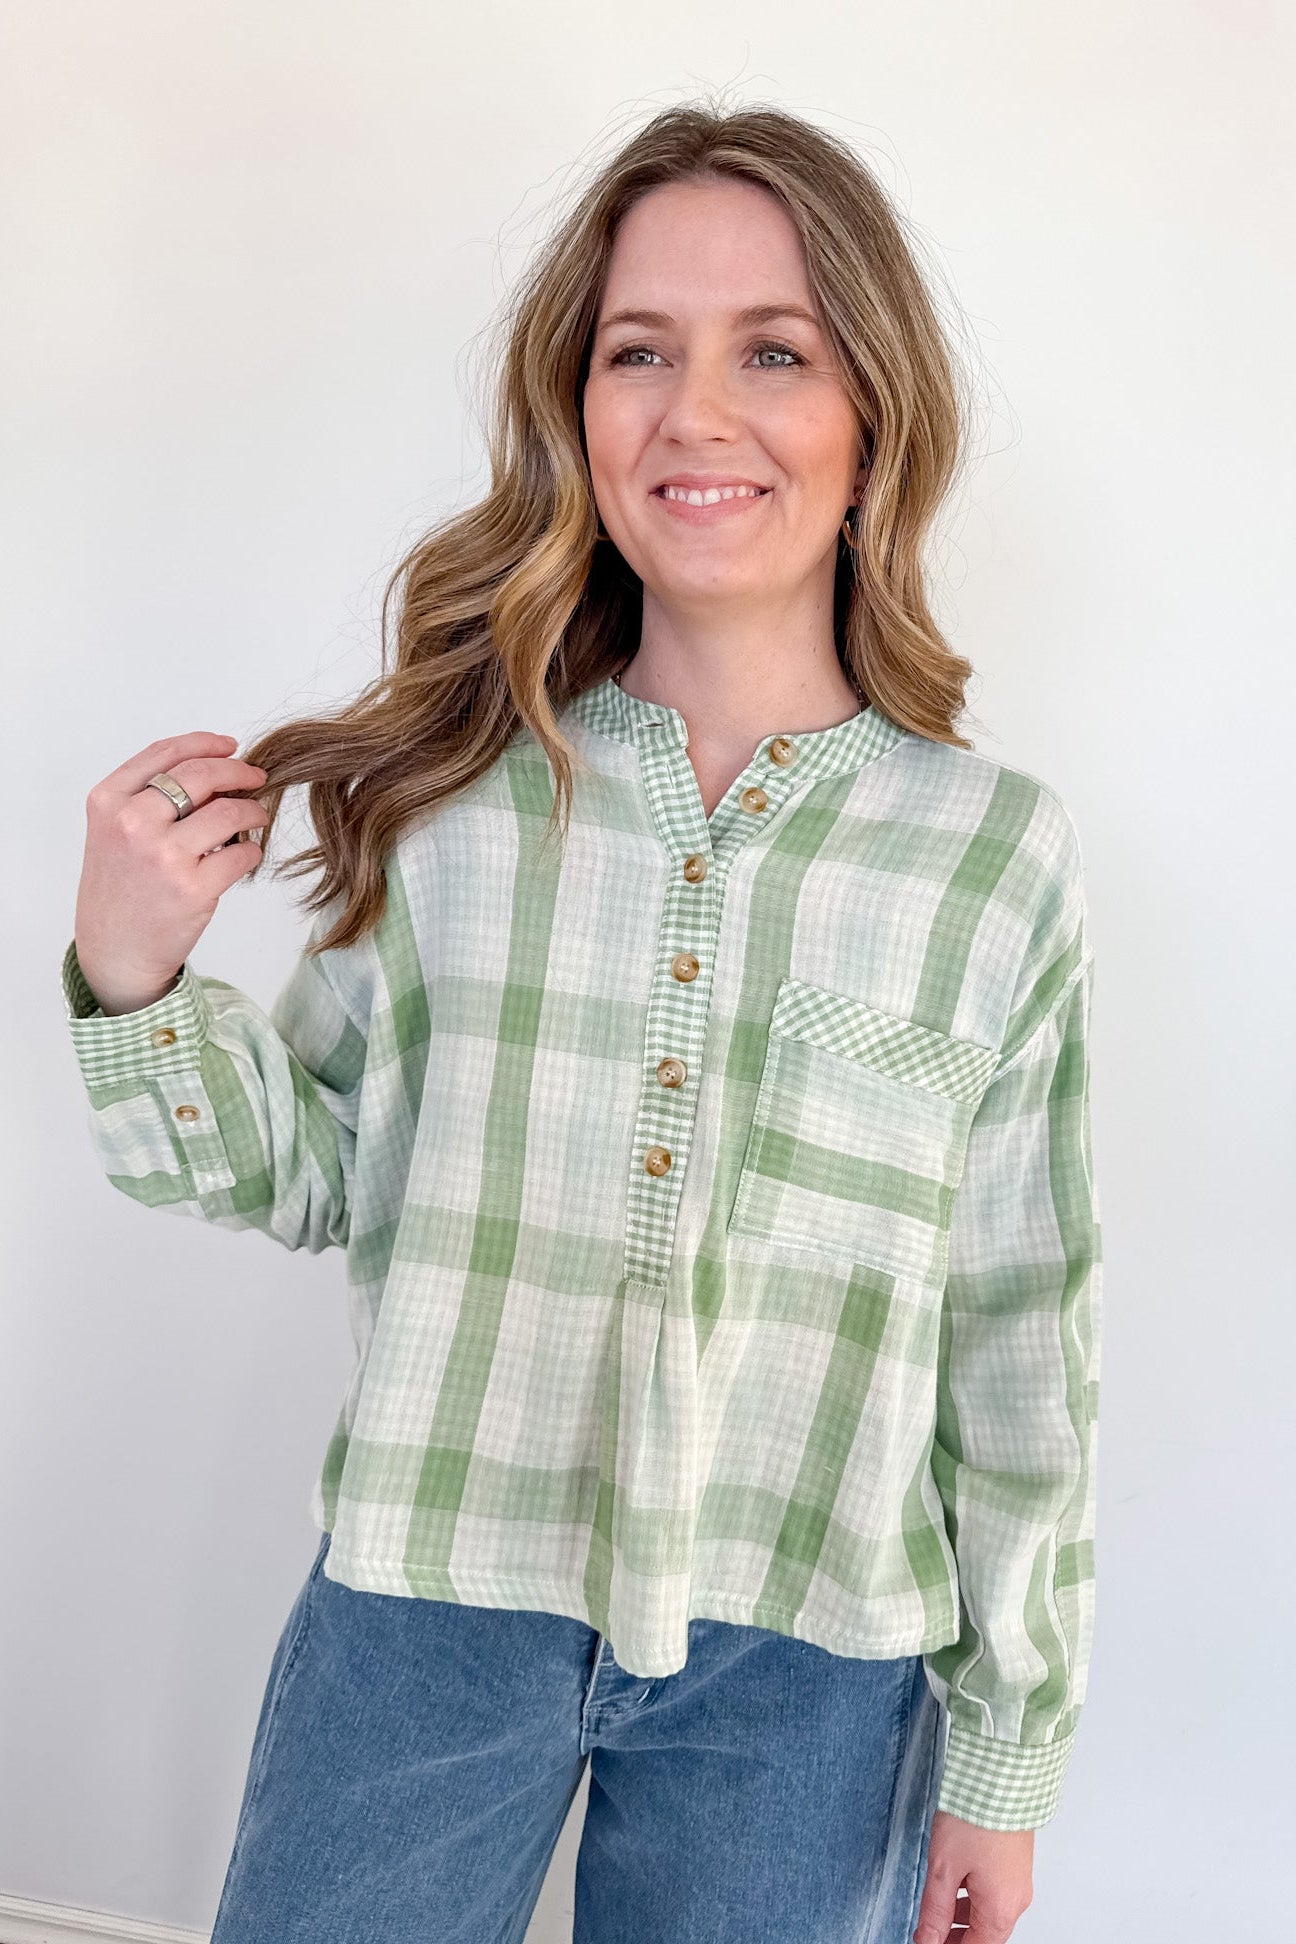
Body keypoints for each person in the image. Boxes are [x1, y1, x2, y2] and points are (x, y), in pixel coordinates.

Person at [62, 101, 1101, 1944]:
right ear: (580, 412)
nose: (698, 411)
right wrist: (136, 968)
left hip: (810, 1663)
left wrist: (1005, 1763)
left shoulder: (990, 856)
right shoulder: (464, 792)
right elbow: (307, 1174)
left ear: (872, 424)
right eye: (641, 352)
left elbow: (1020, 1332)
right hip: (427, 1605)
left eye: (773, 351)